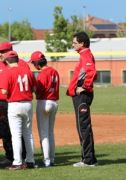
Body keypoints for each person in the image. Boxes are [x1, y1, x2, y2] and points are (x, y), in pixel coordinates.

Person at [0, 42, 27, 165]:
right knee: (5, 130)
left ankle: (24, 156)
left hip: (16, 101)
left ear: (10, 51)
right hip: (1, 103)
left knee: (19, 131)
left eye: (2, 51)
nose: (0, 54)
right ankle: (10, 156)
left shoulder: (21, 64)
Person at [0, 50, 36, 170]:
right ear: (17, 59)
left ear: (7, 61)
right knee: (28, 134)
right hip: (28, 103)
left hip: (14, 104)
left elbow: (4, 92)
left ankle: (17, 162)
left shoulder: (8, 72)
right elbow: (34, 88)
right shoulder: (28, 71)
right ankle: (30, 161)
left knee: (16, 135)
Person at [67, 31, 97, 167]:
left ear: (82, 43)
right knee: (83, 127)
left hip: (82, 95)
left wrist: (84, 86)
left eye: (74, 42)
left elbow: (91, 72)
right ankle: (90, 158)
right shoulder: (83, 55)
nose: (72, 45)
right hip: (80, 94)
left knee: (83, 127)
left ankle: (87, 160)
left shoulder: (86, 55)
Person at [29, 51, 60, 167]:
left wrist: (32, 88)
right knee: (50, 132)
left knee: (44, 134)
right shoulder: (55, 71)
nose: (33, 65)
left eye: (33, 63)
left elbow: (38, 90)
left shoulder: (43, 74)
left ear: (37, 63)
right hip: (54, 102)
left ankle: (46, 161)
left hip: (44, 102)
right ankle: (52, 159)